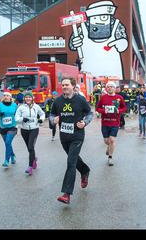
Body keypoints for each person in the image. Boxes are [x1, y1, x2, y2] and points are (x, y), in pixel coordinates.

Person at [50, 77, 93, 205]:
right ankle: (85, 170)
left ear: (73, 86)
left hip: (77, 136)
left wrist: (85, 122)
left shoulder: (80, 100)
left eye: (67, 85)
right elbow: (51, 115)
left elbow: (90, 113)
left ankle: (66, 194)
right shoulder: (57, 101)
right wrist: (53, 120)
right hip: (64, 136)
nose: (64, 87)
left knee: (70, 162)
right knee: (73, 159)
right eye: (63, 85)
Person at [95, 81, 127, 165]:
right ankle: (108, 147)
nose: (109, 88)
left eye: (111, 87)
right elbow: (97, 108)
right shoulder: (103, 97)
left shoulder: (119, 97)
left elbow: (124, 108)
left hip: (115, 122)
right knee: (106, 141)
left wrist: (118, 111)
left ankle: (110, 157)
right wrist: (104, 110)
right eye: (108, 87)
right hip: (105, 123)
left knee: (112, 140)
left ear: (114, 88)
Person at [15, 91, 46, 175]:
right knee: (29, 148)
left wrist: (41, 119)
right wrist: (22, 119)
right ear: (24, 98)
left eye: (29, 97)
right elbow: (16, 118)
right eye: (26, 97)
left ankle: (30, 167)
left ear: (32, 98)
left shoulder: (36, 107)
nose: (28, 98)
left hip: (34, 129)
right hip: (24, 130)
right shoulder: (21, 107)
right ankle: (34, 159)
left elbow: (42, 114)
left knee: (30, 146)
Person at [0, 90, 18, 168]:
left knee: (7, 142)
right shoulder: (0, 105)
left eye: (7, 95)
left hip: (12, 127)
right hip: (3, 128)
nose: (6, 97)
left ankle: (6, 161)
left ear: (10, 97)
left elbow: (17, 114)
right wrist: (0, 114)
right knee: (8, 144)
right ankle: (13, 155)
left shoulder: (14, 105)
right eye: (5, 95)